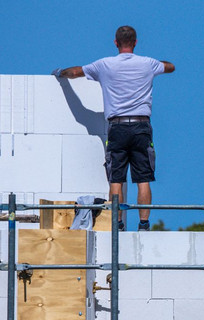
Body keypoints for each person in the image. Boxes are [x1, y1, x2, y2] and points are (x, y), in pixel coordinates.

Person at [53, 25, 175, 230]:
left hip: (117, 127)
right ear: (135, 42)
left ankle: (117, 223)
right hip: (141, 125)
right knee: (143, 178)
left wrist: (60, 73)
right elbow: (170, 66)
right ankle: (143, 224)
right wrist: (157, 65)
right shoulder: (148, 64)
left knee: (116, 179)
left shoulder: (104, 65)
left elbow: (74, 72)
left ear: (116, 43)